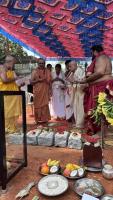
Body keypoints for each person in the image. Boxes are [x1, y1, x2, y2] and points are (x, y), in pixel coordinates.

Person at [77, 45, 113, 134]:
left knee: (95, 109)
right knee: (102, 109)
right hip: (103, 85)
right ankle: (102, 131)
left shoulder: (100, 58)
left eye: (92, 52)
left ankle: (96, 131)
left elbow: (100, 72)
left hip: (100, 86)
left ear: (95, 51)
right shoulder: (106, 58)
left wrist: (86, 80)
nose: (92, 54)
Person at [0, 55, 21, 134]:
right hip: (5, 94)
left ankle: (12, 127)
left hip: (12, 94)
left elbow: (14, 82)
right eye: (13, 63)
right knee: (7, 111)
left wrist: (20, 83)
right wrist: (15, 78)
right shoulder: (2, 67)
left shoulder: (11, 71)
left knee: (12, 111)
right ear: (8, 62)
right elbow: (4, 80)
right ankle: (6, 128)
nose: (13, 65)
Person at [30, 58, 51, 124]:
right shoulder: (34, 71)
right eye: (40, 63)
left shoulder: (47, 71)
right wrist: (38, 80)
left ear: (44, 64)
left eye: (43, 63)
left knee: (45, 105)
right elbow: (31, 82)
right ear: (37, 63)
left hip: (45, 91)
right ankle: (38, 119)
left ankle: (45, 119)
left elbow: (50, 81)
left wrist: (50, 90)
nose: (41, 64)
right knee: (37, 105)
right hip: (37, 91)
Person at [67, 60, 85, 128]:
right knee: (75, 107)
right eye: (69, 67)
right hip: (75, 92)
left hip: (80, 92)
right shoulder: (73, 72)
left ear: (75, 65)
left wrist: (74, 82)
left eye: (70, 66)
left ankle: (80, 124)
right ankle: (77, 122)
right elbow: (70, 81)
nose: (69, 68)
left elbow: (83, 82)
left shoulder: (80, 71)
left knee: (80, 108)